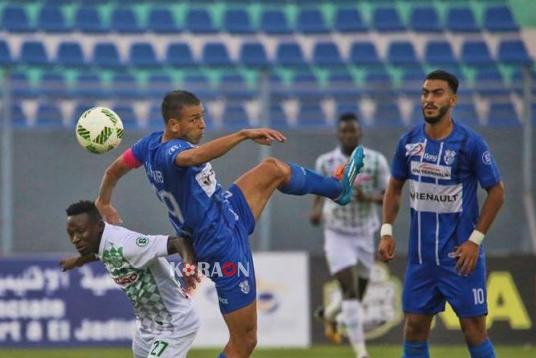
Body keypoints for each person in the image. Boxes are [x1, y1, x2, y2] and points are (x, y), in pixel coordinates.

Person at [96, 90, 365, 358]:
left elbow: (114, 169)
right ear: (173, 125)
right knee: (245, 342)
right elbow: (195, 157)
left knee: (273, 169)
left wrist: (104, 201)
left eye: (202, 117)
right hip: (220, 243)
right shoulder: (170, 152)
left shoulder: (149, 145)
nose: (202, 124)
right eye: (193, 119)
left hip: (225, 209)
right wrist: (243, 134)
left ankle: (338, 189)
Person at [378, 70, 504, 358]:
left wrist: (475, 240)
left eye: (437, 93)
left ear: (453, 99)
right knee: (414, 328)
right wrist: (386, 230)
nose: (429, 99)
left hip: (460, 258)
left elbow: (497, 192)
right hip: (421, 259)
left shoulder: (470, 143)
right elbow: (394, 187)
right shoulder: (408, 142)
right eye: (425, 93)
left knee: (473, 331)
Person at [60, 200, 201, 358]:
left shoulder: (127, 244)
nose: (75, 239)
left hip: (175, 324)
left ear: (99, 226)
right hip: (147, 329)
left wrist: (189, 265)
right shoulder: (101, 243)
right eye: (71, 233)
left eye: (80, 231)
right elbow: (101, 254)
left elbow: (178, 242)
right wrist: (78, 261)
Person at [309, 113, 390, 358]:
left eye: (352, 131)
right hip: (336, 232)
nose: (348, 135)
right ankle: (361, 353)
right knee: (351, 292)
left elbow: (389, 196)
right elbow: (319, 191)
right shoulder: (326, 161)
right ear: (338, 134)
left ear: (360, 133)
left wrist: (371, 198)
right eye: (344, 131)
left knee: (357, 293)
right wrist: (315, 210)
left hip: (365, 232)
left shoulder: (375, 161)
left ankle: (331, 314)